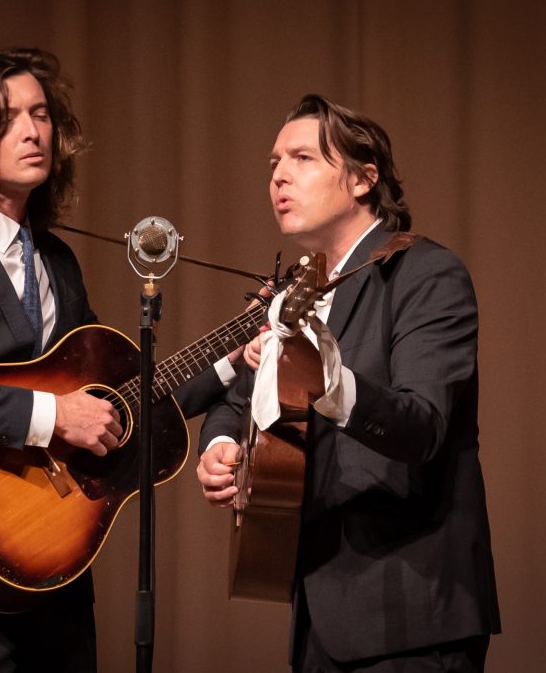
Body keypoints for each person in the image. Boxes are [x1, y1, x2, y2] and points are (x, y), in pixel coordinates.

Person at [0, 47, 230, 672]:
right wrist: (51, 415)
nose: (33, 131)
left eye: (40, 114)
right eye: (7, 118)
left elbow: (119, 402)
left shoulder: (57, 260)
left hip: (56, 569)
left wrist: (233, 360)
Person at [196, 95, 501, 672]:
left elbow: (423, 426)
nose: (279, 176)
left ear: (363, 179)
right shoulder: (299, 293)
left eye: (303, 158)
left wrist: (329, 383)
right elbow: (238, 397)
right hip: (318, 615)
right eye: (274, 163)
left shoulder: (425, 274)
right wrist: (222, 443)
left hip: (410, 613)